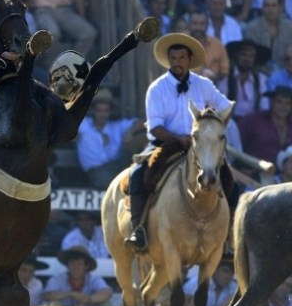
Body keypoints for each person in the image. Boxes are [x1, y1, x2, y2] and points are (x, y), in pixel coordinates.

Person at [125, 32, 233, 253]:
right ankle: (139, 229)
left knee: (231, 181)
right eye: (173, 58)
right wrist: (179, 139)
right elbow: (155, 127)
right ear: (169, 60)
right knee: (138, 176)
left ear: (189, 60)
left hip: (201, 145)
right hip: (167, 144)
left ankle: (230, 235)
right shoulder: (157, 88)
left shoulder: (203, 84)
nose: (177, 63)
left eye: (181, 58)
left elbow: (225, 107)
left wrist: (213, 130)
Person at [75, 88, 145, 190]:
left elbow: (143, 122)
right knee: (115, 181)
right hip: (95, 172)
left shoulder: (116, 127)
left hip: (117, 166)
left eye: (105, 111)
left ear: (110, 111)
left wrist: (130, 132)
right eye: (99, 110)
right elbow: (69, 126)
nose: (102, 114)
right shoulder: (84, 125)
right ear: (93, 111)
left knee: (137, 147)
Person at [43, 246, 115, 306]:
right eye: (72, 263)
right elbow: (47, 295)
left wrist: (88, 300)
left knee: (105, 304)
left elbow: (107, 292)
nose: (76, 267)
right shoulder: (58, 278)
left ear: (86, 266)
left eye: (80, 264)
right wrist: (71, 294)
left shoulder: (93, 279)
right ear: (67, 265)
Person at [25, 0, 98, 57]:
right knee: (53, 33)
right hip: (43, 10)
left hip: (66, 11)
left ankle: (70, 63)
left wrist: (82, 17)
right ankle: (49, 66)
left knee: (89, 33)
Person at [217, 39, 271, 121]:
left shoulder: (261, 79)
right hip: (230, 121)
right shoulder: (226, 76)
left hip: (254, 122)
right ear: (236, 56)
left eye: (251, 56)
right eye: (243, 55)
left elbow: (264, 107)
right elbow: (220, 105)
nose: (247, 59)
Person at [239, 85, 292, 167]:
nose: (283, 107)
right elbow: (237, 144)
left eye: (287, 103)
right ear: (272, 102)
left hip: (284, 176)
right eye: (279, 102)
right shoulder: (254, 120)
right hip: (252, 171)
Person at [244, 0, 292, 70]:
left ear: (280, 8)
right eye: (267, 5)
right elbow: (249, 56)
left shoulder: (290, 28)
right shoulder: (252, 28)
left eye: (274, 5)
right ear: (262, 8)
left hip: (285, 72)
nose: (270, 9)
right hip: (259, 71)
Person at [188, 9, 230, 84]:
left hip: (213, 85)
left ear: (207, 26)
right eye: (195, 23)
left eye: (202, 24)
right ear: (189, 25)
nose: (198, 27)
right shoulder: (180, 42)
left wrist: (214, 77)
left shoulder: (217, 44)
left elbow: (225, 71)